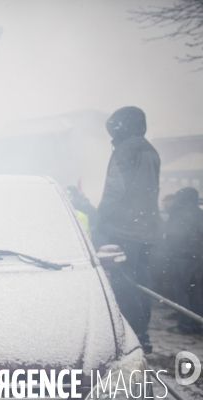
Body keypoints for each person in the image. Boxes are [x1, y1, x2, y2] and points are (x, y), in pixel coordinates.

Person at [97, 106, 161, 354]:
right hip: (148, 232)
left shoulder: (126, 149)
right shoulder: (150, 149)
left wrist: (101, 217)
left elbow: (115, 189)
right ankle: (142, 335)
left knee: (123, 285)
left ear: (123, 125)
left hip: (124, 231)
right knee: (142, 285)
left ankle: (130, 337)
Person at [165, 187, 203, 334]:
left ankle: (185, 326)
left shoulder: (177, 214)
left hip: (181, 258)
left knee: (182, 292)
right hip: (199, 259)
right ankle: (198, 325)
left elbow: (171, 236)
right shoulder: (200, 214)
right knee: (198, 292)